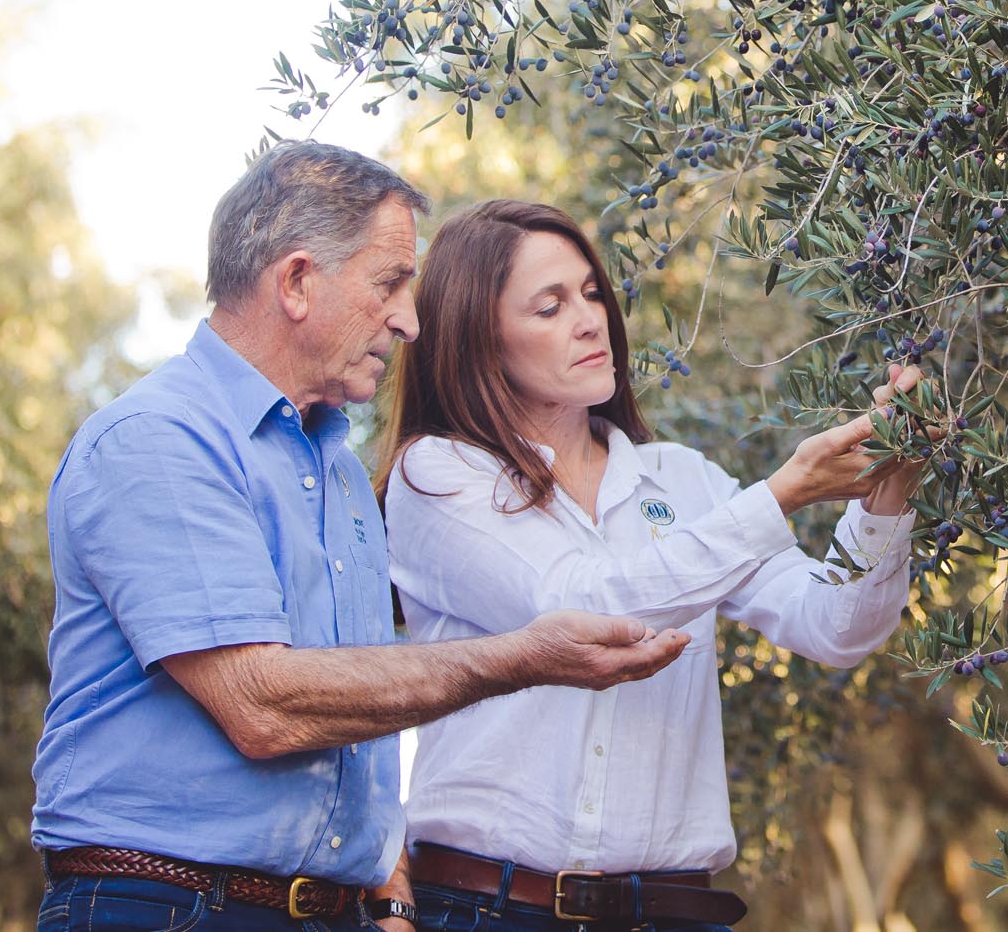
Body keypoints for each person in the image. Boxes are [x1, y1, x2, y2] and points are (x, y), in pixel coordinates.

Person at [32, 144, 689, 932]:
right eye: (389, 284)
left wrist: (390, 894)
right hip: (169, 904)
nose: (409, 320)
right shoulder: (159, 440)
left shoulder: (338, 472)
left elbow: (354, 718)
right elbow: (262, 706)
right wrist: (522, 656)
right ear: (298, 282)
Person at [377, 199, 928, 931]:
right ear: (479, 340)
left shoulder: (684, 480)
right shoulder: (438, 476)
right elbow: (579, 606)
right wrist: (781, 494)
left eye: (593, 293)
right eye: (549, 306)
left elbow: (832, 625)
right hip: (489, 910)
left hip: (673, 912)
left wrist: (889, 490)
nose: (589, 319)